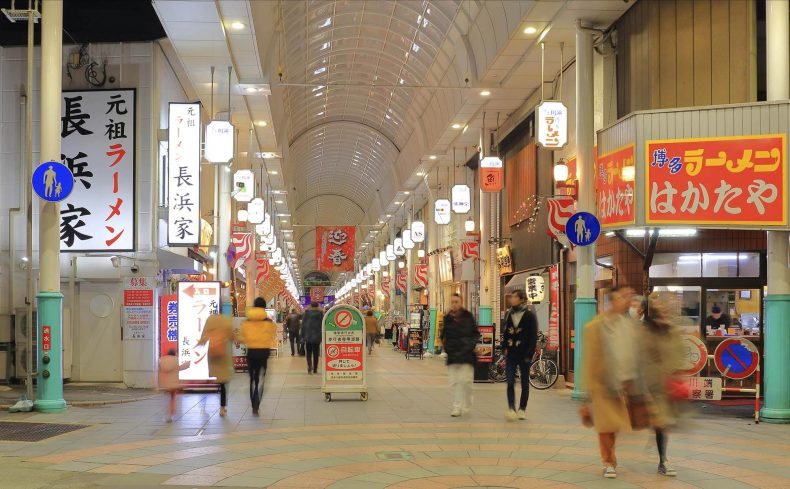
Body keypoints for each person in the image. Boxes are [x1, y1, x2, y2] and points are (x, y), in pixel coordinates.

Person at [581, 286, 639, 479]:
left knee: (614, 425)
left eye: (630, 296)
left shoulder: (628, 325)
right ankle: (608, 461)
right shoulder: (595, 326)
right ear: (613, 300)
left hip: (622, 382)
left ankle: (610, 457)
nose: (628, 300)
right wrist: (586, 390)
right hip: (602, 383)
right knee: (606, 425)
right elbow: (589, 359)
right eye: (624, 296)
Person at [639, 293, 684, 477]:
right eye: (659, 306)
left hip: (668, 383)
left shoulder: (671, 329)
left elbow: (679, 352)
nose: (664, 309)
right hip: (651, 383)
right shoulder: (644, 331)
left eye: (665, 306)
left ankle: (662, 459)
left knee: (662, 423)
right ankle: (663, 459)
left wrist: (675, 371)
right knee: (660, 421)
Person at [440, 293, 480, 417]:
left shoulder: (468, 317)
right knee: (455, 382)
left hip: (467, 355)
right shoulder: (447, 318)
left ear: (461, 302)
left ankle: (468, 402)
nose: (454, 304)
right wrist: (446, 347)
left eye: (456, 301)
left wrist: (470, 345)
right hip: (452, 355)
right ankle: (457, 407)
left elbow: (476, 334)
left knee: (466, 382)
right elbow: (443, 335)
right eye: (452, 302)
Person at [502, 289, 538, 421]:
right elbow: (505, 332)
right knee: (510, 380)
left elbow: (533, 336)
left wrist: (529, 353)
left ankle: (522, 409)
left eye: (514, 297)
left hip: (524, 354)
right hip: (511, 353)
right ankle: (511, 407)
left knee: (524, 382)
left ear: (522, 299)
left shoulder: (529, 315)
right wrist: (504, 346)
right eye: (511, 297)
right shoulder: (509, 314)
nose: (512, 299)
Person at [239, 297, 277, 416]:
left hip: (251, 352)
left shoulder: (247, 321)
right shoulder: (268, 321)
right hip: (263, 353)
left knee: (252, 378)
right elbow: (273, 334)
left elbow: (242, 336)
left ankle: (253, 401)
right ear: (264, 306)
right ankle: (257, 402)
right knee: (262, 378)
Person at [197, 313, 235, 417]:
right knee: (223, 383)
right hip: (223, 354)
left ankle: (209, 402)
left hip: (213, 354)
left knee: (218, 380)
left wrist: (200, 343)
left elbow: (204, 336)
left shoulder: (210, 320)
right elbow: (232, 336)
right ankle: (222, 408)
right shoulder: (227, 321)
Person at [158, 348, 190, 422]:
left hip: (165, 384)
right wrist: (187, 365)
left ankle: (169, 412)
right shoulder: (176, 360)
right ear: (175, 353)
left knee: (169, 398)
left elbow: (160, 371)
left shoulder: (162, 360)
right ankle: (170, 412)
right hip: (174, 383)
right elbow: (179, 368)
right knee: (173, 399)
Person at [301, 301, 324, 374]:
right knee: (316, 353)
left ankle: (309, 366)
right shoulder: (321, 314)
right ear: (318, 306)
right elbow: (323, 325)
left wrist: (302, 335)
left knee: (308, 353)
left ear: (310, 306)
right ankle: (315, 369)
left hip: (308, 336)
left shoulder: (306, 313)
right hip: (317, 336)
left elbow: (303, 325)